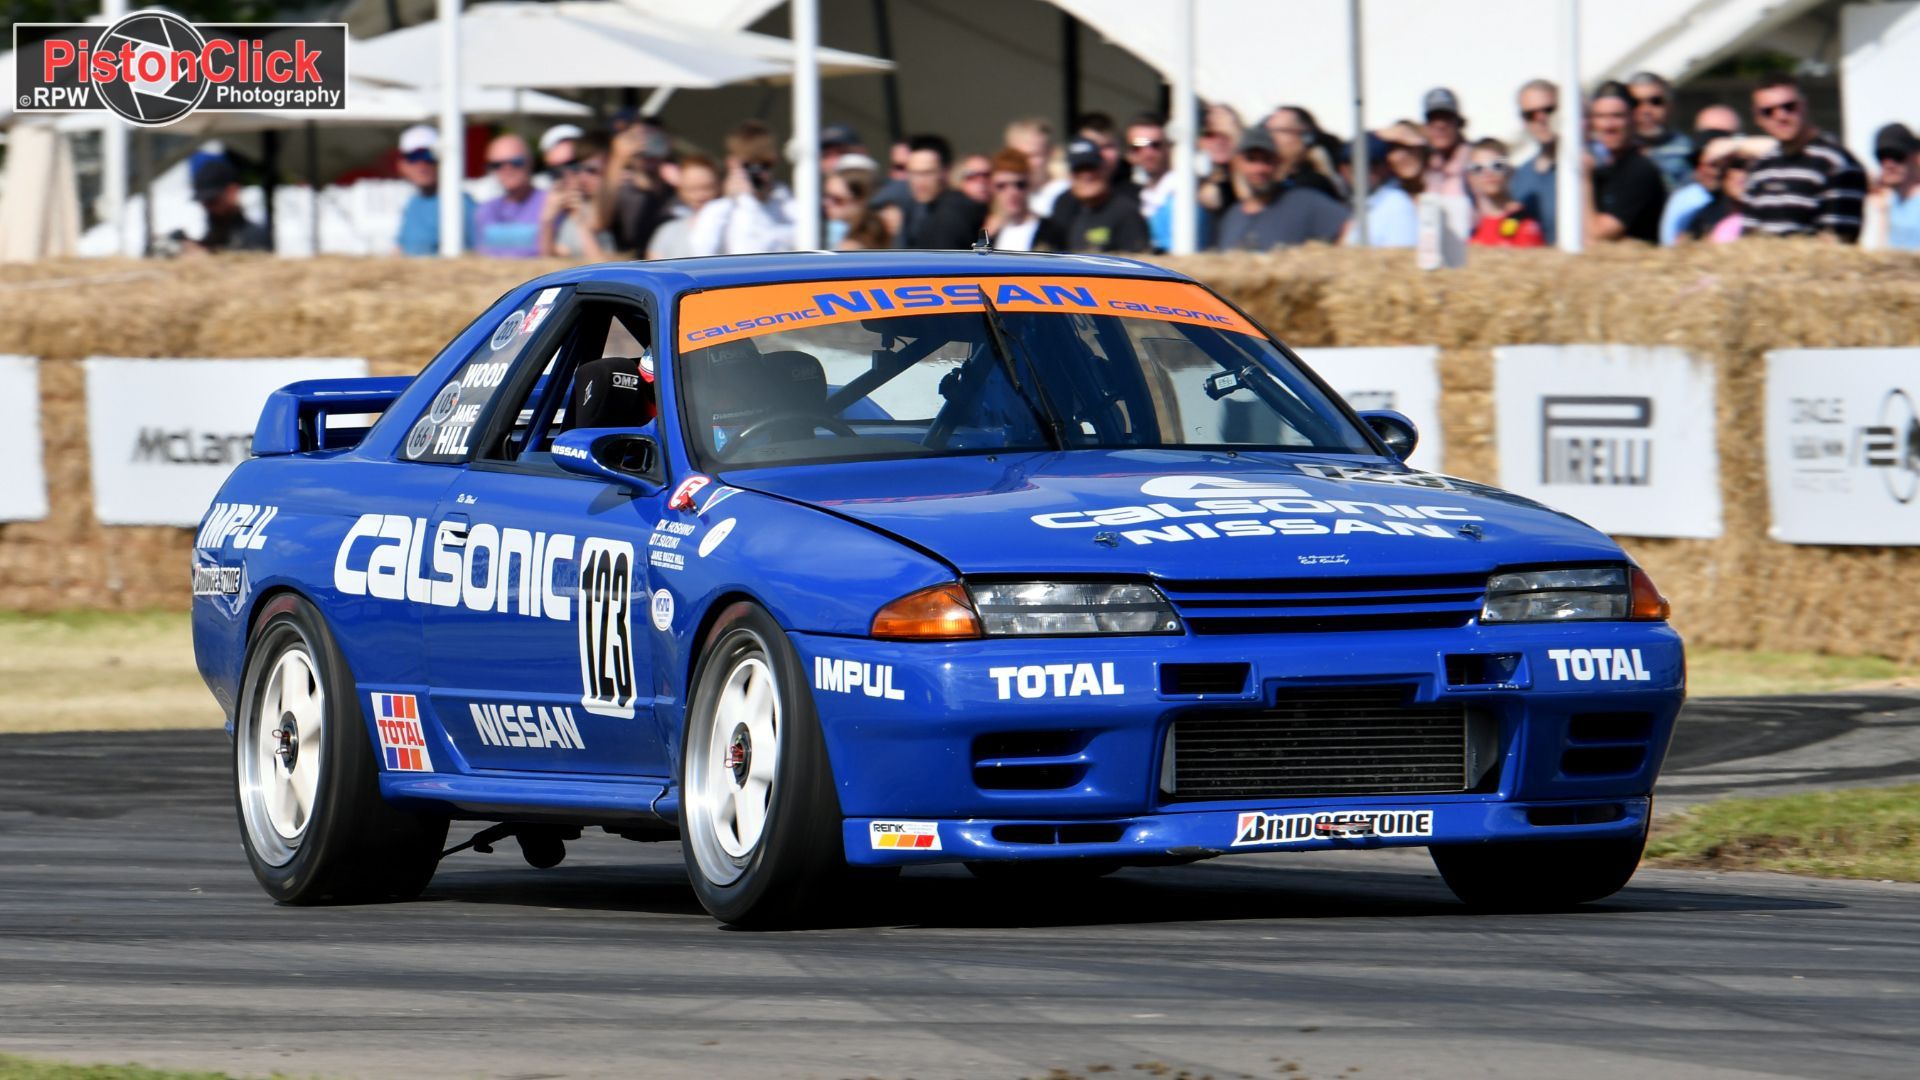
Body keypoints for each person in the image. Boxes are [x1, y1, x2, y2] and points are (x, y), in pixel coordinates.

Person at [1741, 73, 1866, 242]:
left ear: (1804, 106)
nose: (1781, 116)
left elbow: (1838, 242)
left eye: (1789, 107)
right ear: (1757, 118)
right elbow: (1749, 237)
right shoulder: (1760, 168)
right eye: (1768, 111)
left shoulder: (1836, 163)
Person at [1215, 128, 1348, 250]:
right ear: (1238, 163)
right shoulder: (1232, 217)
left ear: (1277, 163)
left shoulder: (1304, 203)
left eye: (1267, 160)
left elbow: (1351, 229)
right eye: (1251, 160)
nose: (1259, 169)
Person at [689, 120, 797, 255]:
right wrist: (730, 199)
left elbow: (805, 239)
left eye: (765, 165)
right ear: (732, 163)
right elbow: (702, 250)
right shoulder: (718, 210)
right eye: (749, 165)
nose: (758, 172)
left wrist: (756, 200)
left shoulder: (787, 204)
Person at [1584, 83, 1667, 244]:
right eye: (1600, 116)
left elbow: (1598, 236)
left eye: (1617, 116)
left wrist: (1582, 179)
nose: (1608, 125)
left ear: (1633, 118)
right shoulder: (1598, 169)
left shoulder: (1640, 171)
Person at [1044, 138, 1150, 253]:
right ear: (1070, 174)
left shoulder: (1126, 212)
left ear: (1104, 169)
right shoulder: (1064, 206)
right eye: (1078, 169)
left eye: (1091, 167)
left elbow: (1137, 259)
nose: (1086, 175)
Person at [392, 124, 474, 256]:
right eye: (413, 156)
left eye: (428, 155)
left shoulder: (463, 204)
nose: (421, 165)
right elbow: (400, 250)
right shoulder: (412, 204)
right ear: (402, 164)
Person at [895, 134, 986, 249]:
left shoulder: (951, 214)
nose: (918, 181)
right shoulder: (923, 210)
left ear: (946, 171)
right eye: (913, 173)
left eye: (927, 173)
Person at [604, 127, 677, 256]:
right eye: (638, 140)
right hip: (629, 263)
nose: (646, 147)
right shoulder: (622, 191)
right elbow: (599, 221)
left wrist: (685, 185)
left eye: (655, 140)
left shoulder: (675, 189)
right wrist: (618, 158)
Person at [1689, 137, 1777, 243]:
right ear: (1722, 174)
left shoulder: (1774, 211)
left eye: (1754, 167)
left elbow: (1779, 148)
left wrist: (1736, 144)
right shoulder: (1706, 218)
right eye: (1738, 165)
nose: (1745, 174)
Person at [539, 134, 612, 259]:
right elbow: (551, 257)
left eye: (591, 170)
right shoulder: (573, 212)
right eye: (578, 168)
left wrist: (582, 224)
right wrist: (547, 221)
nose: (582, 177)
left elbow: (605, 266)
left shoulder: (619, 209)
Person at [473, 134, 547, 258]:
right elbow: (483, 255)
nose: (507, 169)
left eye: (516, 162)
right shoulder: (486, 210)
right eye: (497, 165)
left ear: (531, 162)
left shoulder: (550, 202)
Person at [1343, 131, 1418, 247]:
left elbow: (1400, 254)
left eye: (1371, 164)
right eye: (1352, 164)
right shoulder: (1358, 201)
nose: (1361, 171)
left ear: (1386, 167)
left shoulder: (1397, 205)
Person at [1465, 138, 1545, 247]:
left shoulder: (1524, 224)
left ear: (1510, 171)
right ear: (1469, 177)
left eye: (1497, 165)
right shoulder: (1466, 227)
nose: (1488, 173)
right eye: (1478, 168)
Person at [181, 157, 270, 254]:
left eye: (212, 201)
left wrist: (204, 256)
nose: (207, 207)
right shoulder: (215, 232)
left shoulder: (255, 236)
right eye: (204, 202)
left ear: (232, 191)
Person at [1659, 131, 1733, 246]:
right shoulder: (1688, 201)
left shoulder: (1737, 202)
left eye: (1720, 165)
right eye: (1711, 165)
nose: (1716, 172)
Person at [1510, 78, 1560, 244]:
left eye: (1548, 110)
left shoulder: (1593, 166)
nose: (1541, 119)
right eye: (1530, 115)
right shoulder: (1518, 178)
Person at [644, 155, 720, 260]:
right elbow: (654, 264)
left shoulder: (733, 227)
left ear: (718, 187)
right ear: (681, 191)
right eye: (692, 189)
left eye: (707, 187)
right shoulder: (667, 231)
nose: (700, 195)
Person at [985, 147, 1060, 251]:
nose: (1012, 192)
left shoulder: (1052, 231)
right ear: (991, 188)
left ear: (1030, 185)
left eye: (1020, 185)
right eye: (1001, 186)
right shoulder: (989, 233)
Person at [1628, 72, 1693, 191]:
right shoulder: (1612, 153)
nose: (1646, 110)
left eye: (1656, 101)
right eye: (1635, 103)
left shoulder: (1688, 150)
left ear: (1670, 106)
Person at [1862, 122, 1920, 251]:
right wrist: (1881, 212)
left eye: (1897, 156)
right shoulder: (1886, 202)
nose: (1889, 164)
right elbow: (1880, 255)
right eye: (1882, 156)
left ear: (1914, 156)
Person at [1266, 105, 1344, 200]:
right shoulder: (1266, 179)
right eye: (1267, 131)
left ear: (1307, 138)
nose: (1269, 137)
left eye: (1279, 131)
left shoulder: (1312, 185)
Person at [1126, 113, 1178, 251]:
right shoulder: (1129, 195)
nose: (1147, 153)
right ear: (1129, 154)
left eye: (1155, 145)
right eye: (1138, 146)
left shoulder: (1183, 193)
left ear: (1168, 147)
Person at [1421, 87, 1471, 201]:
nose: (1440, 125)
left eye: (1446, 118)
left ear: (1459, 123)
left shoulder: (1476, 163)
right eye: (1433, 119)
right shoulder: (1420, 165)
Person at [825, 169, 890, 250]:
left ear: (861, 200)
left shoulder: (854, 246)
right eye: (826, 196)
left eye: (837, 200)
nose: (826, 203)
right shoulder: (843, 234)